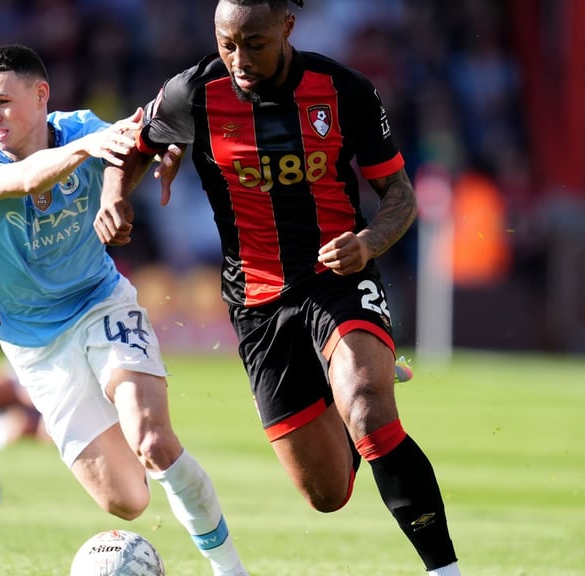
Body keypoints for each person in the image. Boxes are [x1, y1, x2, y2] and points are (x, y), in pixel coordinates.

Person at [94, 1, 459, 574]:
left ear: (288, 26)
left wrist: (368, 242)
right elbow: (133, 145)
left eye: (254, 43)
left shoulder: (344, 90)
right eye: (227, 44)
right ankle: (350, 378)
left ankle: (445, 568)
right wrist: (114, 197)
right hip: (256, 302)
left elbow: (400, 195)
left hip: (337, 278)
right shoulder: (193, 93)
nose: (239, 58)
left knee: (369, 413)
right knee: (327, 494)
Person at [0, 44, 248, 576]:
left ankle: (229, 570)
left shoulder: (81, 128)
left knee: (153, 441)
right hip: (34, 345)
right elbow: (22, 180)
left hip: (98, 301)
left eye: (2, 102)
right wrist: (90, 148)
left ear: (41, 95)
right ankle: (39, 418)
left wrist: (152, 158)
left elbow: (133, 147)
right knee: (127, 500)